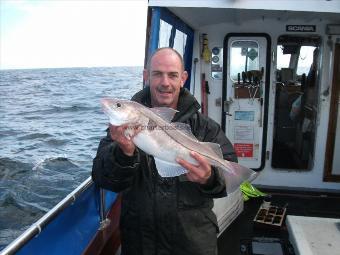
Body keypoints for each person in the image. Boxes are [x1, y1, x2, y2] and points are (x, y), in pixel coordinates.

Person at [92, 47, 237, 255]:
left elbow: (228, 177)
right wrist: (123, 153)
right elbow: (102, 178)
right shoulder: (121, 130)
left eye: (172, 75)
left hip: (193, 244)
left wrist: (209, 177)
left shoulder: (206, 127)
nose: (165, 83)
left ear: (183, 78)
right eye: (157, 74)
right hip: (140, 244)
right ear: (146, 76)